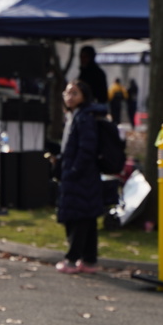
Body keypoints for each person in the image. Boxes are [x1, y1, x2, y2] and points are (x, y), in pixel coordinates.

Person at [53, 80, 104, 273]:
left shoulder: (84, 118)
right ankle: (90, 260)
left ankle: (72, 259)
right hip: (81, 175)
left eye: (75, 93)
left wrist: (74, 170)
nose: (69, 97)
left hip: (82, 177)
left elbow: (86, 148)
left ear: (84, 96)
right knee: (88, 218)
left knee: (78, 219)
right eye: (67, 93)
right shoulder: (75, 116)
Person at [77, 45, 108, 109]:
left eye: (85, 57)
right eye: (81, 57)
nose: (82, 60)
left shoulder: (98, 74)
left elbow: (102, 96)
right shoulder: (83, 73)